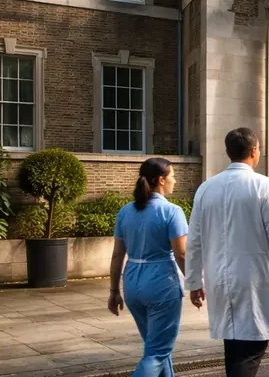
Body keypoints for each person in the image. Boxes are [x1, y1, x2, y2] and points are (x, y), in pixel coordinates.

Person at [185, 128, 269, 377]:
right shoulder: (263, 186)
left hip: (219, 278)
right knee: (249, 350)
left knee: (235, 346)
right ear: (254, 151)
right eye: (259, 148)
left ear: (228, 152)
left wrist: (195, 282)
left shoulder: (206, 189)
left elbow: (194, 240)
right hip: (255, 280)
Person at [107, 158, 187, 377]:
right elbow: (181, 254)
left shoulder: (125, 212)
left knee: (156, 347)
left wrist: (114, 291)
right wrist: (197, 282)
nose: (175, 180)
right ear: (161, 180)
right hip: (162, 283)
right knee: (158, 352)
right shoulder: (172, 211)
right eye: (172, 175)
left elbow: (117, 255)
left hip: (132, 283)